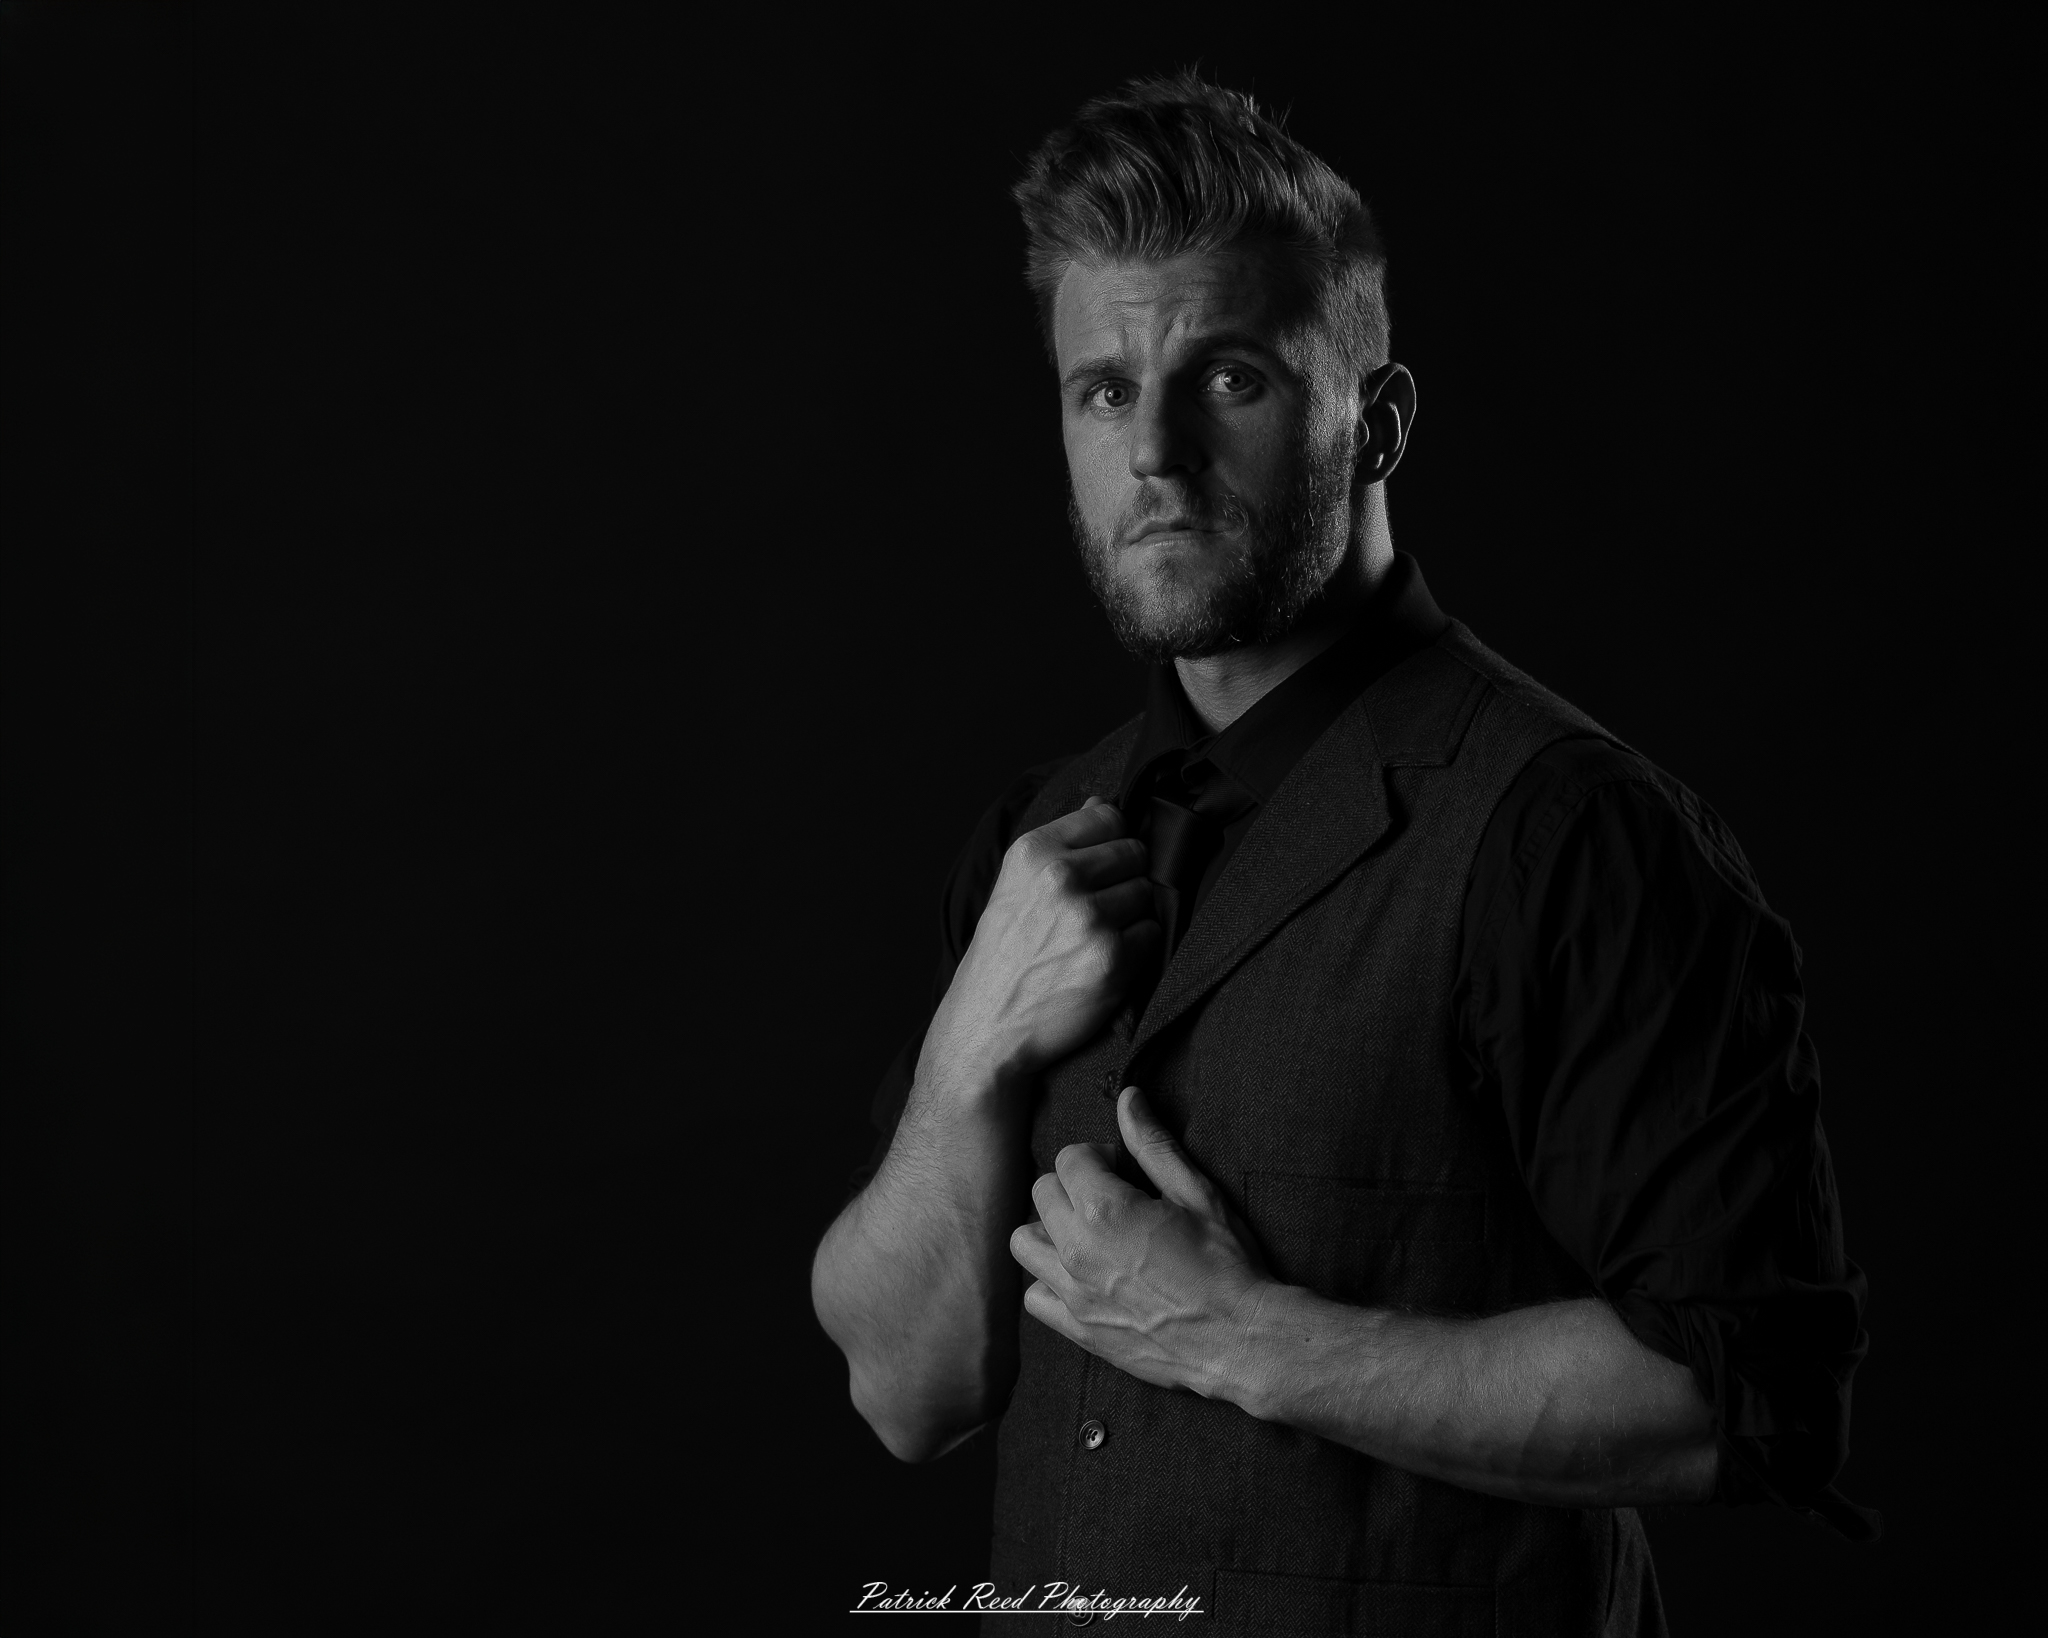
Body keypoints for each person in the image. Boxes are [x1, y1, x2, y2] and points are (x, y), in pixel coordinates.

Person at [810, 71, 1872, 1635]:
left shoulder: (1566, 832)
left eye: (1227, 377)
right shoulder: (1036, 843)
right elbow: (906, 1387)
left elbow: (1742, 1400)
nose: (1153, 450)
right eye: (1102, 389)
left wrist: (1243, 1335)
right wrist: (968, 1049)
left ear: (1374, 422)